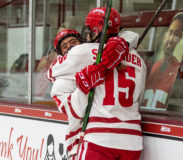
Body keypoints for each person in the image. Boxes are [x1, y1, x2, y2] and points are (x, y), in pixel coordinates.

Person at [48, 7, 146, 160]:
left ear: (95, 31)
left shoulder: (83, 52)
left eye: (89, 30)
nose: (87, 34)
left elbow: (52, 71)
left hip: (100, 139)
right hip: (133, 140)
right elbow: (139, 99)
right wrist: (124, 41)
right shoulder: (139, 60)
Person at [142, 12, 183, 109]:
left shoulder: (177, 69)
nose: (171, 39)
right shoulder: (152, 65)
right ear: (165, 35)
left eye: (176, 34)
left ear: (180, 38)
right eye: (170, 32)